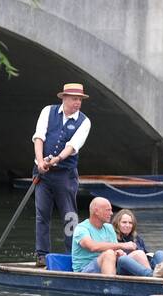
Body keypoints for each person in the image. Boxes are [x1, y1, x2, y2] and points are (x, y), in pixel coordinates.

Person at [32, 82, 92, 267]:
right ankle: (41, 254)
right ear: (64, 98)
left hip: (65, 174)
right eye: (74, 99)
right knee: (42, 214)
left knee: (69, 215)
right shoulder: (48, 111)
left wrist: (56, 159)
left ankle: (72, 254)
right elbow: (39, 137)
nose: (78, 103)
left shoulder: (84, 121)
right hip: (43, 173)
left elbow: (72, 146)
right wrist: (41, 161)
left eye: (80, 100)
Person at [71, 197, 152, 275]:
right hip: (85, 270)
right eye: (108, 210)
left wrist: (119, 252)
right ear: (96, 211)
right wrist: (123, 245)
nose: (111, 213)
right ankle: (110, 287)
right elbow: (93, 247)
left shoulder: (109, 227)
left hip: (109, 265)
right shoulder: (81, 228)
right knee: (109, 253)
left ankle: (152, 280)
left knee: (139, 253)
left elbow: (115, 250)